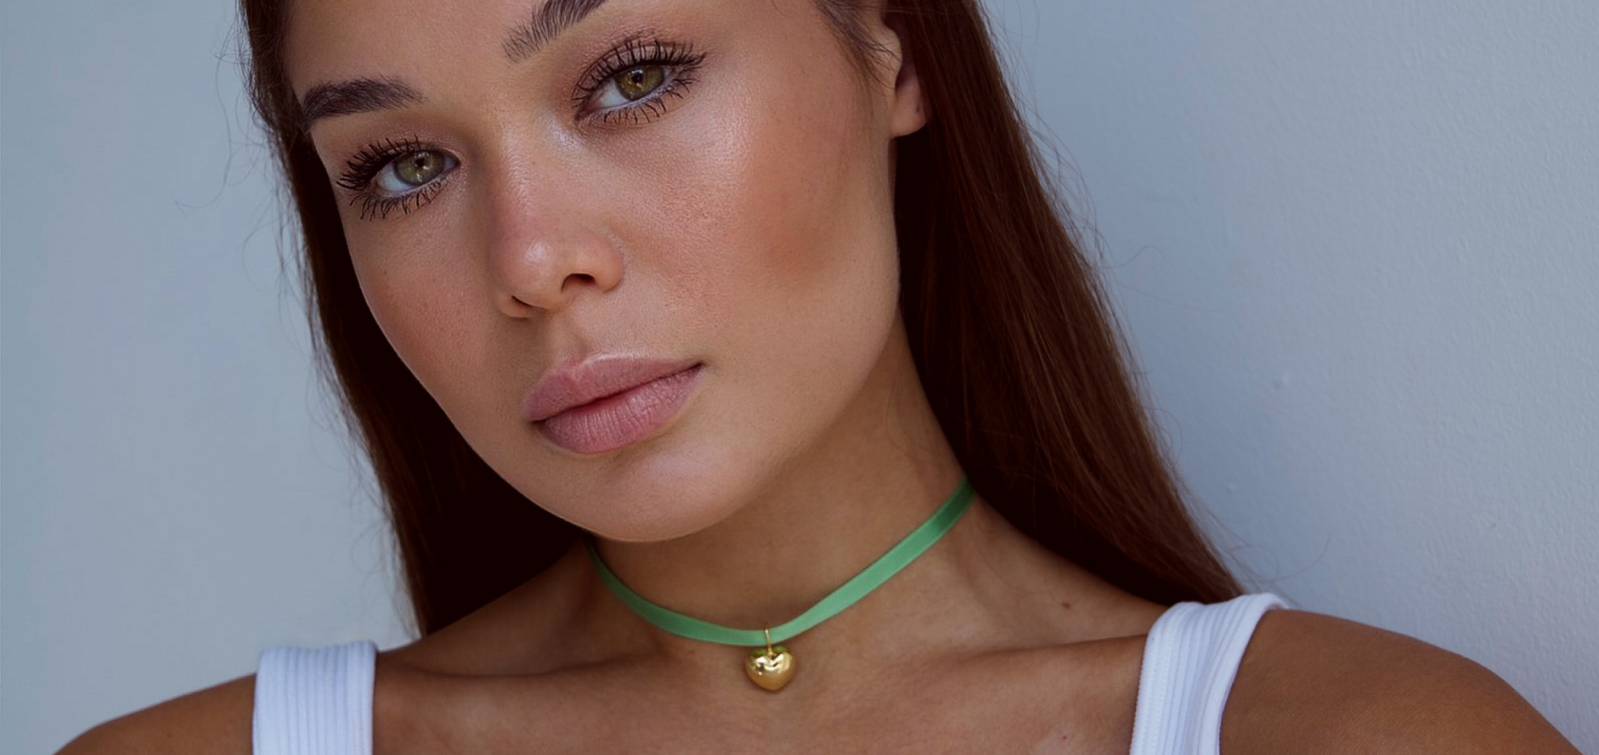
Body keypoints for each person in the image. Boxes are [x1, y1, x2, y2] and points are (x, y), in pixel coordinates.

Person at [60, 0, 1578, 752]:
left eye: (631, 77)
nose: (529, 259)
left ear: (889, 46)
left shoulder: (1365, 737)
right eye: (400, 165)